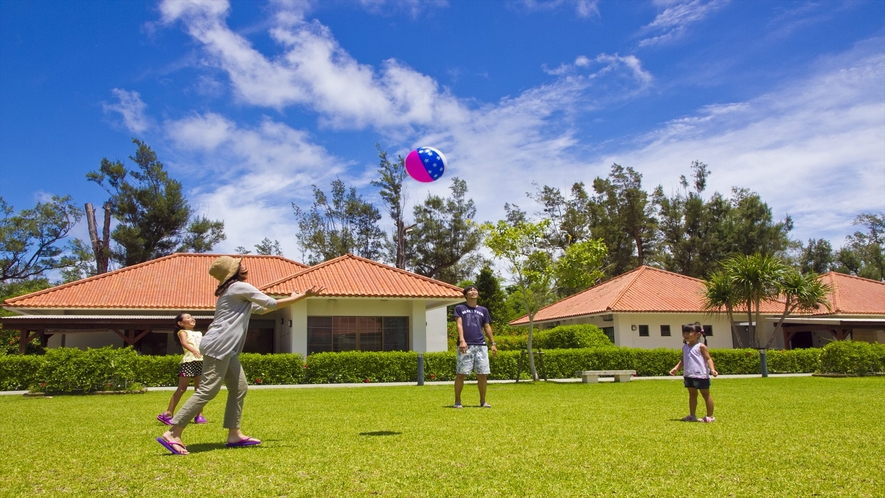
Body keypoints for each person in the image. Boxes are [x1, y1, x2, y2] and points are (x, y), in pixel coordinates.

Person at [156, 256, 323, 455]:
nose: (244, 266)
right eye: (239, 265)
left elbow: (260, 309)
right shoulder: (239, 287)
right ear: (233, 271)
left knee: (239, 387)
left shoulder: (232, 291)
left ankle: (234, 434)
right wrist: (302, 296)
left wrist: (289, 298)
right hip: (220, 345)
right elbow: (270, 304)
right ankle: (174, 432)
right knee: (208, 390)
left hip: (228, 348)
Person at [157, 313, 207, 426]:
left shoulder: (199, 333)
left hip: (200, 361)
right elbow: (184, 343)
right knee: (182, 388)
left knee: (199, 390)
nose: (192, 318)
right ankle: (168, 414)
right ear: (180, 323)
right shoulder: (182, 332)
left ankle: (199, 415)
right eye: (188, 318)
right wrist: (194, 350)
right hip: (188, 362)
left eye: (192, 317)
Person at [453, 285, 497, 408]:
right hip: (465, 345)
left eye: (475, 290)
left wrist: (493, 343)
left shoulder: (483, 310)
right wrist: (462, 340)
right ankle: (457, 401)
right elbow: (459, 325)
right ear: (466, 295)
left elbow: (487, 327)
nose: (474, 291)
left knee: (482, 374)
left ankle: (483, 401)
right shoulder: (460, 308)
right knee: (461, 374)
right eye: (470, 290)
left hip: (481, 345)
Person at [669, 323, 718, 422]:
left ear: (698, 334)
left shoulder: (701, 346)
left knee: (705, 394)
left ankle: (710, 416)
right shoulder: (685, 347)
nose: (686, 334)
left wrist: (712, 369)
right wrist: (676, 368)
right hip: (688, 374)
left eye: (689, 332)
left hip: (700, 374)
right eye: (684, 332)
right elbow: (683, 360)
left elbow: (708, 359)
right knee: (692, 394)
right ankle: (692, 415)